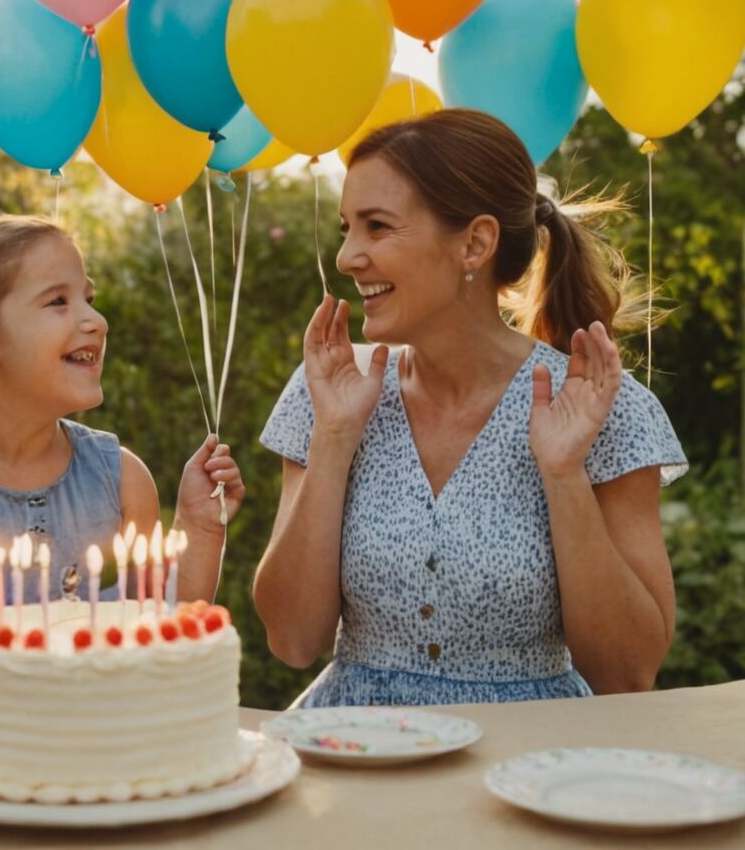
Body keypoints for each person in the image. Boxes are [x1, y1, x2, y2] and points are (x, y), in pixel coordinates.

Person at [254, 108, 687, 707]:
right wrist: (332, 438)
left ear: (475, 243)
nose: (347, 257)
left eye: (377, 227)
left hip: (528, 769)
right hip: (357, 761)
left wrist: (564, 476)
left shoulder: (605, 407)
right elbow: (292, 639)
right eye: (347, 228)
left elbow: (627, 674)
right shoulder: (328, 386)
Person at [0, 212, 244, 702]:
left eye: (89, 299)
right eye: (58, 301)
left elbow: (161, 637)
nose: (95, 320)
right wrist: (4, 732)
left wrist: (200, 529)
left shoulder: (121, 477)